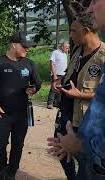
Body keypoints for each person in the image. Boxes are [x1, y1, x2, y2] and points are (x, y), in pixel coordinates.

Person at [48, 4, 105, 179]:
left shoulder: (103, 56)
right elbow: (71, 75)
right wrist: (59, 82)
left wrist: (80, 95)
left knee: (88, 162)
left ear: (86, 31)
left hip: (85, 120)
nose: (70, 35)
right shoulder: (76, 50)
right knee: (61, 150)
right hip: (66, 114)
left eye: (73, 31)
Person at [0, 31, 42, 180]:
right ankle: (2, 167)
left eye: (28, 47)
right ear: (14, 45)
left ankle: (11, 172)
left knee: (18, 144)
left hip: (22, 113)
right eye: (24, 46)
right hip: (2, 113)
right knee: (0, 145)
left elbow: (38, 82)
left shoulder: (29, 64)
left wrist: (34, 88)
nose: (27, 49)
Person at [46, 42, 70, 109]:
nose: (68, 49)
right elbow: (52, 63)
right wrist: (54, 75)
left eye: (68, 48)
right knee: (53, 89)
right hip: (57, 74)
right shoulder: (55, 52)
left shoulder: (65, 54)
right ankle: (50, 103)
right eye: (66, 48)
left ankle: (57, 103)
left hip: (63, 74)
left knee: (60, 89)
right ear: (62, 47)